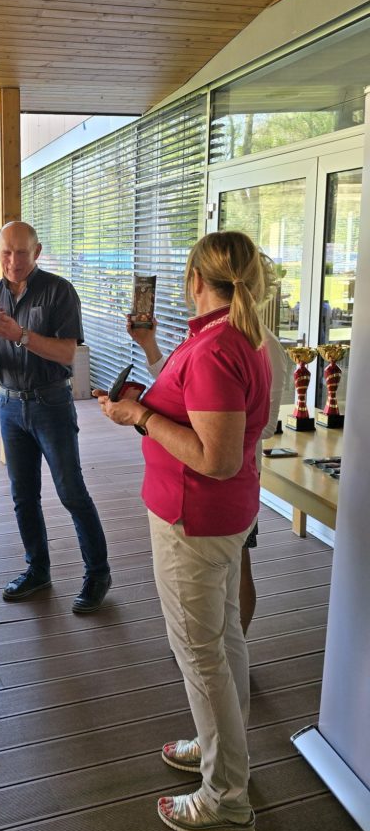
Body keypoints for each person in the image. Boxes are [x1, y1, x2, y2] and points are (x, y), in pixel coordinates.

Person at [95, 230, 271, 831]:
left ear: (197, 279)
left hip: (193, 519)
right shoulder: (236, 336)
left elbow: (216, 457)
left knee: (201, 654)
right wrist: (148, 392)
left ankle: (227, 801)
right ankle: (222, 751)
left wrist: (140, 415)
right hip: (217, 517)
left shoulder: (217, 346)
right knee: (222, 641)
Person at [126, 251, 289, 634]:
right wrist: (149, 346)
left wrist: (145, 417)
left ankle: (214, 650)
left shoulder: (236, 343)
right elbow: (183, 393)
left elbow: (260, 427)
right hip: (215, 494)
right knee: (221, 607)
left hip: (210, 497)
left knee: (228, 592)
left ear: (198, 280)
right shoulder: (216, 335)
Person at [0, 221, 111, 614]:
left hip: (50, 402)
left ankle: (98, 573)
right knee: (23, 496)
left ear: (36, 252)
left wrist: (20, 335)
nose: (13, 260)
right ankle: (37, 570)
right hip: (8, 405)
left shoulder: (59, 291)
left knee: (71, 492)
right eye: (6, 251)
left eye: (21, 251)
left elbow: (68, 353)